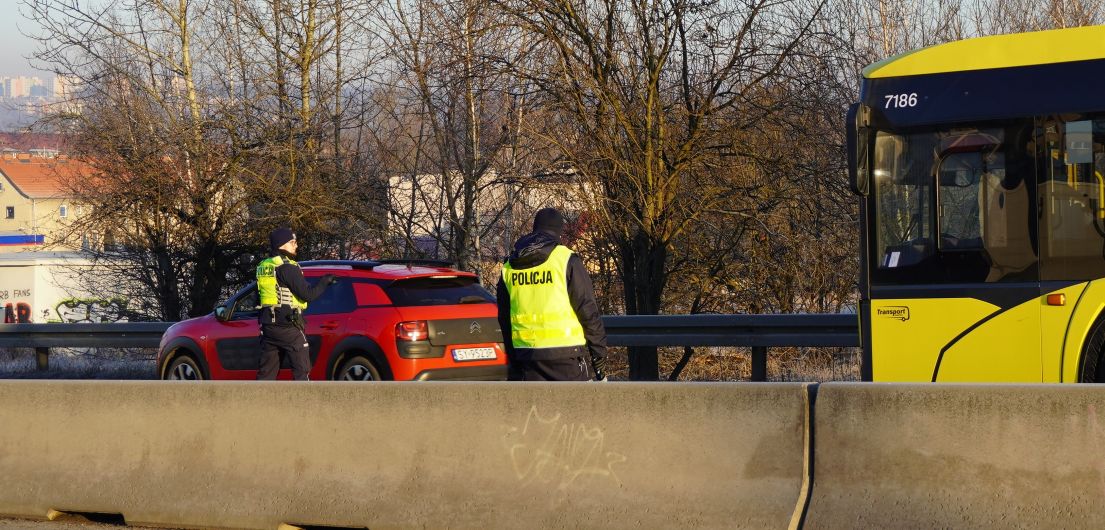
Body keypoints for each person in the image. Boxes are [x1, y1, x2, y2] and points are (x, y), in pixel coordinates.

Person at [497, 208, 608, 381]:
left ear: (534, 229)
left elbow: (504, 319)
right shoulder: (566, 259)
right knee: (576, 407)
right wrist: (598, 354)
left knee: (536, 408)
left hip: (527, 356)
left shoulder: (510, 266)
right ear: (559, 231)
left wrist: (514, 359)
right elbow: (587, 309)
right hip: (567, 356)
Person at [256, 227, 335, 381]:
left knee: (267, 374)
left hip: (268, 326)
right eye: (292, 242)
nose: (296, 245)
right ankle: (302, 403)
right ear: (282, 245)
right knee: (302, 369)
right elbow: (308, 294)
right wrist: (325, 281)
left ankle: (259, 404)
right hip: (287, 325)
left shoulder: (265, 265)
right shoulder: (287, 267)